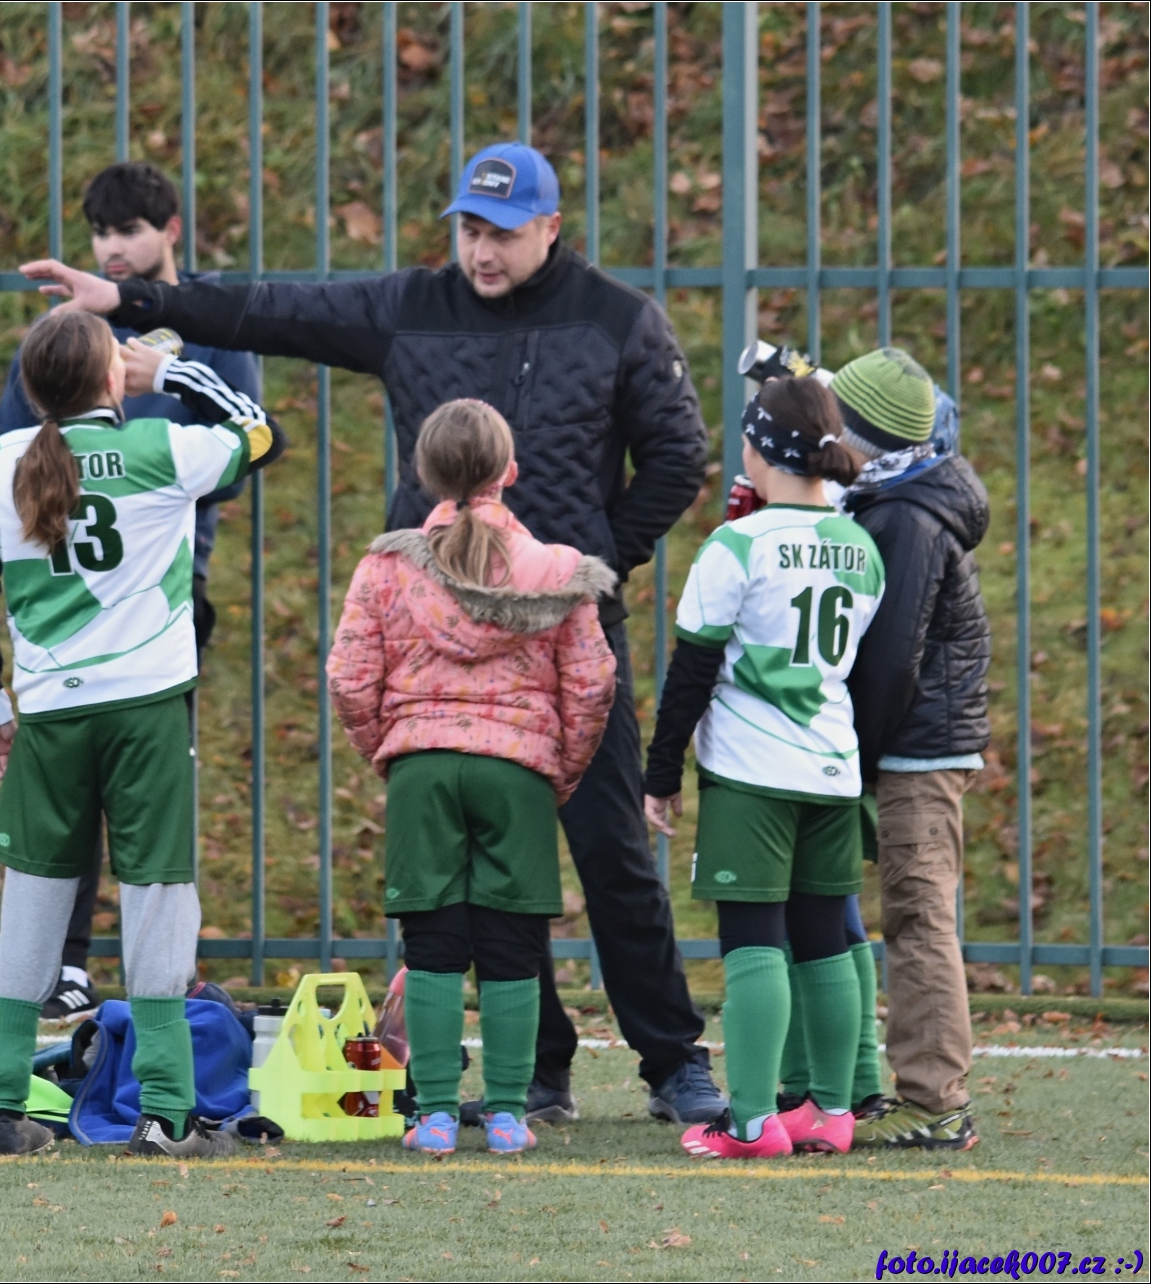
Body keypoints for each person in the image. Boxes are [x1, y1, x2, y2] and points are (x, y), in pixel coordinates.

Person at [24, 141, 725, 1124]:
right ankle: (539, 1073)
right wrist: (133, 300)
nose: (481, 252)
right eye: (469, 231)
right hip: (435, 647)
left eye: (503, 233)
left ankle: (672, 1061)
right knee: (481, 869)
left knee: (610, 851)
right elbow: (274, 310)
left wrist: (597, 556)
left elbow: (679, 453)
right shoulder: (411, 307)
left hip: (560, 637)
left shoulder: (617, 319)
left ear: (551, 227)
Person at [0, 310, 285, 1158]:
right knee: (158, 896)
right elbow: (259, 432)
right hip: (146, 710)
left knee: (33, 902)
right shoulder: (161, 447)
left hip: (50, 715)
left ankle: (2, 1106)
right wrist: (166, 375)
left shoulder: (1, 460)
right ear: (113, 378)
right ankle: (166, 1112)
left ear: (30, 387)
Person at [0, 162, 265, 1023]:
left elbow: (239, 449)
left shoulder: (208, 326)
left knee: (148, 790)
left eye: (130, 230)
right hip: (65, 584)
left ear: (170, 230)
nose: (111, 247)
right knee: (65, 783)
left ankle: (157, 973)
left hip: (168, 587)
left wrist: (156, 472)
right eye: (101, 231)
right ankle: (64, 965)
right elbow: (15, 443)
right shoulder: (68, 329)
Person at [327, 400, 617, 1157]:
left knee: (431, 938)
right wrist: (559, 766)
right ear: (509, 471)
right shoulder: (558, 572)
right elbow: (592, 684)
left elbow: (350, 676)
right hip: (517, 768)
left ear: (424, 474)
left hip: (421, 764)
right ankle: (510, 1113)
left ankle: (431, 1114)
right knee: (512, 940)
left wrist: (389, 749)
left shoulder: (387, 567)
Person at [642, 376, 880, 1159]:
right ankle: (833, 1113)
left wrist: (661, 774)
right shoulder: (862, 546)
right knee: (824, 940)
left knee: (753, 944)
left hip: (753, 772)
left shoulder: (736, 545)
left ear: (760, 450)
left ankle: (749, 1123)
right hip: (833, 768)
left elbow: (691, 672)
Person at [834, 350, 990, 1151]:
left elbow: (892, 657)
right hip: (922, 740)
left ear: (864, 438)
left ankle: (935, 1100)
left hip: (919, 748)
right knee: (914, 911)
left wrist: (855, 755)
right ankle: (926, 1091)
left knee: (919, 915)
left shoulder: (904, 519)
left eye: (837, 423)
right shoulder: (901, 496)